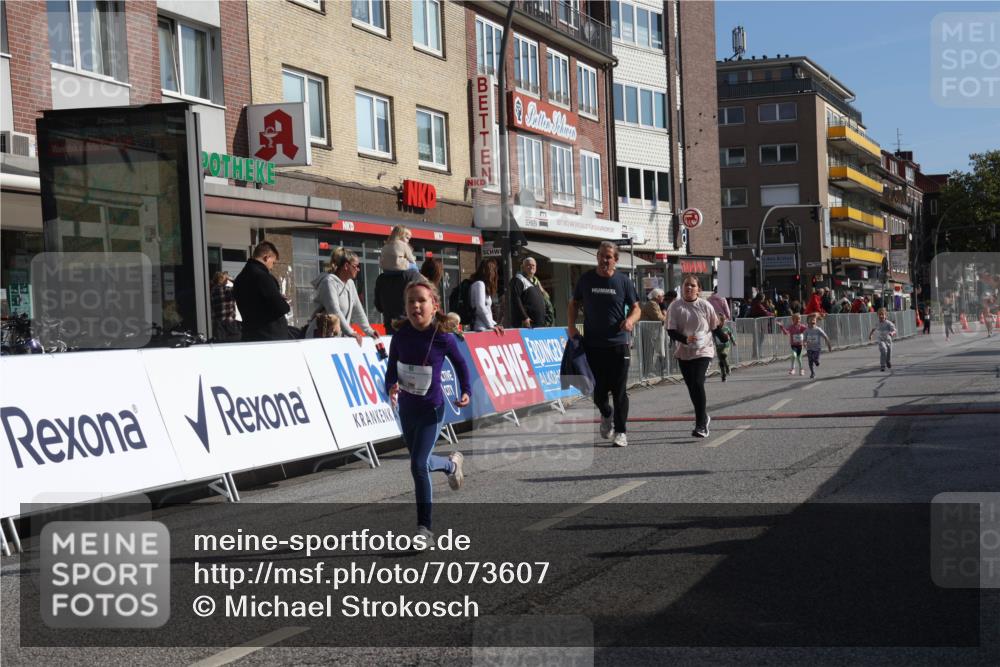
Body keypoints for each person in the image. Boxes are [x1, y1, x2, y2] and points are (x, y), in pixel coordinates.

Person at [385, 278, 472, 543]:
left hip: (432, 409)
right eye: (411, 302)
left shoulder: (442, 337)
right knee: (421, 462)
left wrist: (465, 390)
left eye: (421, 301)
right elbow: (391, 369)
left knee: (418, 465)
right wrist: (391, 387)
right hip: (407, 411)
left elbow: (460, 365)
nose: (415, 306)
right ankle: (450, 464)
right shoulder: (400, 337)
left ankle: (425, 529)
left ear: (434, 306)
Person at [567, 241, 641, 447]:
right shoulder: (586, 279)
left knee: (619, 390)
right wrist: (571, 326)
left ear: (615, 260)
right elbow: (574, 303)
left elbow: (637, 308)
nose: (604, 260)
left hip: (618, 344)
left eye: (608, 257)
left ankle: (621, 431)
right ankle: (606, 413)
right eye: (601, 255)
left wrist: (630, 320)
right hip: (593, 345)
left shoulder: (623, 281)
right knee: (598, 392)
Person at [666, 275, 725, 438]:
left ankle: (701, 425)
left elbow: (715, 326)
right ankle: (704, 417)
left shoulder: (705, 305)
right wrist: (685, 339)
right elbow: (670, 330)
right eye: (686, 285)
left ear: (699, 289)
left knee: (698, 382)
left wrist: (724, 338)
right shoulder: (675, 307)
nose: (689, 288)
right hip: (684, 351)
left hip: (703, 350)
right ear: (682, 288)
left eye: (693, 285)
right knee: (692, 387)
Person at [307, 247, 378, 344]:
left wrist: (369, 331)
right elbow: (334, 310)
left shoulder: (350, 283)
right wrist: (351, 332)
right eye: (356, 266)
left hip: (336, 337)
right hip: (321, 336)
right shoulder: (329, 282)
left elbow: (358, 310)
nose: (358, 269)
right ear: (346, 266)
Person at [233, 241, 291, 342]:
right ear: (266, 257)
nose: (272, 267)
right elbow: (281, 307)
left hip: (249, 334)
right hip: (270, 335)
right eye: (273, 262)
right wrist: (282, 302)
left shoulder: (240, 278)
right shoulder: (263, 276)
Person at [374, 265, 422, 330]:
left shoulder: (381, 278)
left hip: (390, 325)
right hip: (411, 325)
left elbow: (379, 306)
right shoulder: (413, 275)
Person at [508, 257, 548, 328]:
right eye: (528, 265)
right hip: (526, 325)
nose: (531, 267)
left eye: (533, 265)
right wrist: (525, 317)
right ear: (523, 267)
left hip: (538, 325)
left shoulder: (535, 282)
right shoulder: (518, 279)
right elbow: (516, 300)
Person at [469, 259, 503, 333]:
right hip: (480, 327)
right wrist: (491, 325)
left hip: (485, 326)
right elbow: (480, 307)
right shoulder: (479, 284)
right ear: (490, 272)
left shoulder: (482, 285)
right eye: (494, 270)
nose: (495, 274)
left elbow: (486, 309)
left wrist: (494, 324)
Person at [210, 271, 240, 343]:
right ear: (221, 279)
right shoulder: (226, 290)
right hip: (229, 322)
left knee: (220, 344)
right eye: (226, 278)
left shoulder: (212, 290)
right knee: (236, 341)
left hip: (217, 323)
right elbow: (240, 286)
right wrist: (231, 279)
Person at [803, 313, 833, 379]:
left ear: (816, 321)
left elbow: (825, 336)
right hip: (809, 348)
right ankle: (812, 373)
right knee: (810, 361)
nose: (812, 321)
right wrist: (804, 343)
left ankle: (816, 360)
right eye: (810, 320)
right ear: (807, 321)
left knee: (814, 358)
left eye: (814, 320)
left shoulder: (818, 329)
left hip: (817, 348)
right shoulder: (806, 331)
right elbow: (804, 339)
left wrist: (829, 345)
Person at [714, 312, 735, 382]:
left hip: (726, 346)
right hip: (718, 347)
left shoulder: (726, 328)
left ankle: (728, 367)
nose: (721, 323)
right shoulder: (714, 330)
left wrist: (733, 341)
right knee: (721, 362)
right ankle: (723, 375)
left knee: (724, 355)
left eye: (722, 321)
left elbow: (730, 334)